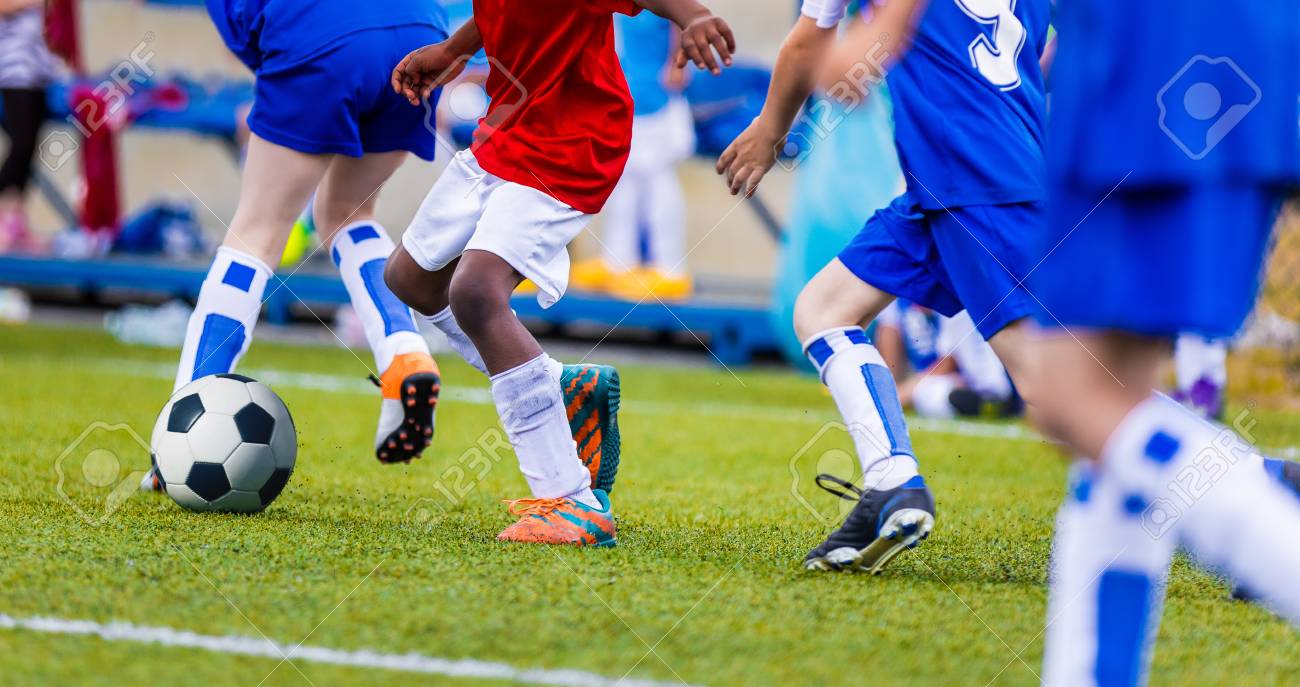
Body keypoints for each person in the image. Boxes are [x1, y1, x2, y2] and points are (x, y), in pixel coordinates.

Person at [384, 0, 735, 546]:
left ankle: (571, 500)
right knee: (410, 278)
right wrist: (454, 50)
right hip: (506, 129)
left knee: (475, 292)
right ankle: (561, 386)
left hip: (571, 142)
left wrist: (692, 16)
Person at [717, 0, 1049, 572]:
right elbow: (1050, 51)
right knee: (823, 310)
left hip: (973, 182)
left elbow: (823, 57)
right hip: (959, 179)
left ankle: (1225, 480)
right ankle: (891, 483)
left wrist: (770, 129)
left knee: (1058, 388)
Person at [1025, 2, 1300, 683]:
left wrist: (883, 26)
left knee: (1071, 395)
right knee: (1116, 400)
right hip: (1225, 54)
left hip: (1151, 50)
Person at [143, 0, 456, 494]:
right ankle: (404, 353)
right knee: (349, 213)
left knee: (255, 234)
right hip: (420, 34)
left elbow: (258, 34)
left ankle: (178, 434)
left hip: (321, 35)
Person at [570, 12, 697, 301]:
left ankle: (669, 267)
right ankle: (618, 260)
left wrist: (678, 63)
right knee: (623, 183)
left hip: (656, 99)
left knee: (659, 182)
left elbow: (685, 18)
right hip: (629, 96)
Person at [875, 302, 1019, 420]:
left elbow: (949, 361)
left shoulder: (951, 303)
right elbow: (889, 334)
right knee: (931, 393)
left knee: (933, 394)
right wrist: (889, 390)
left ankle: (990, 402)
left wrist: (900, 395)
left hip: (965, 376)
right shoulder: (896, 301)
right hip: (930, 379)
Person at [0, 0, 58, 252]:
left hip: (38, 66)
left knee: (31, 147)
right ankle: (7, 215)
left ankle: (15, 219)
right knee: (21, 144)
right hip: (15, 67)